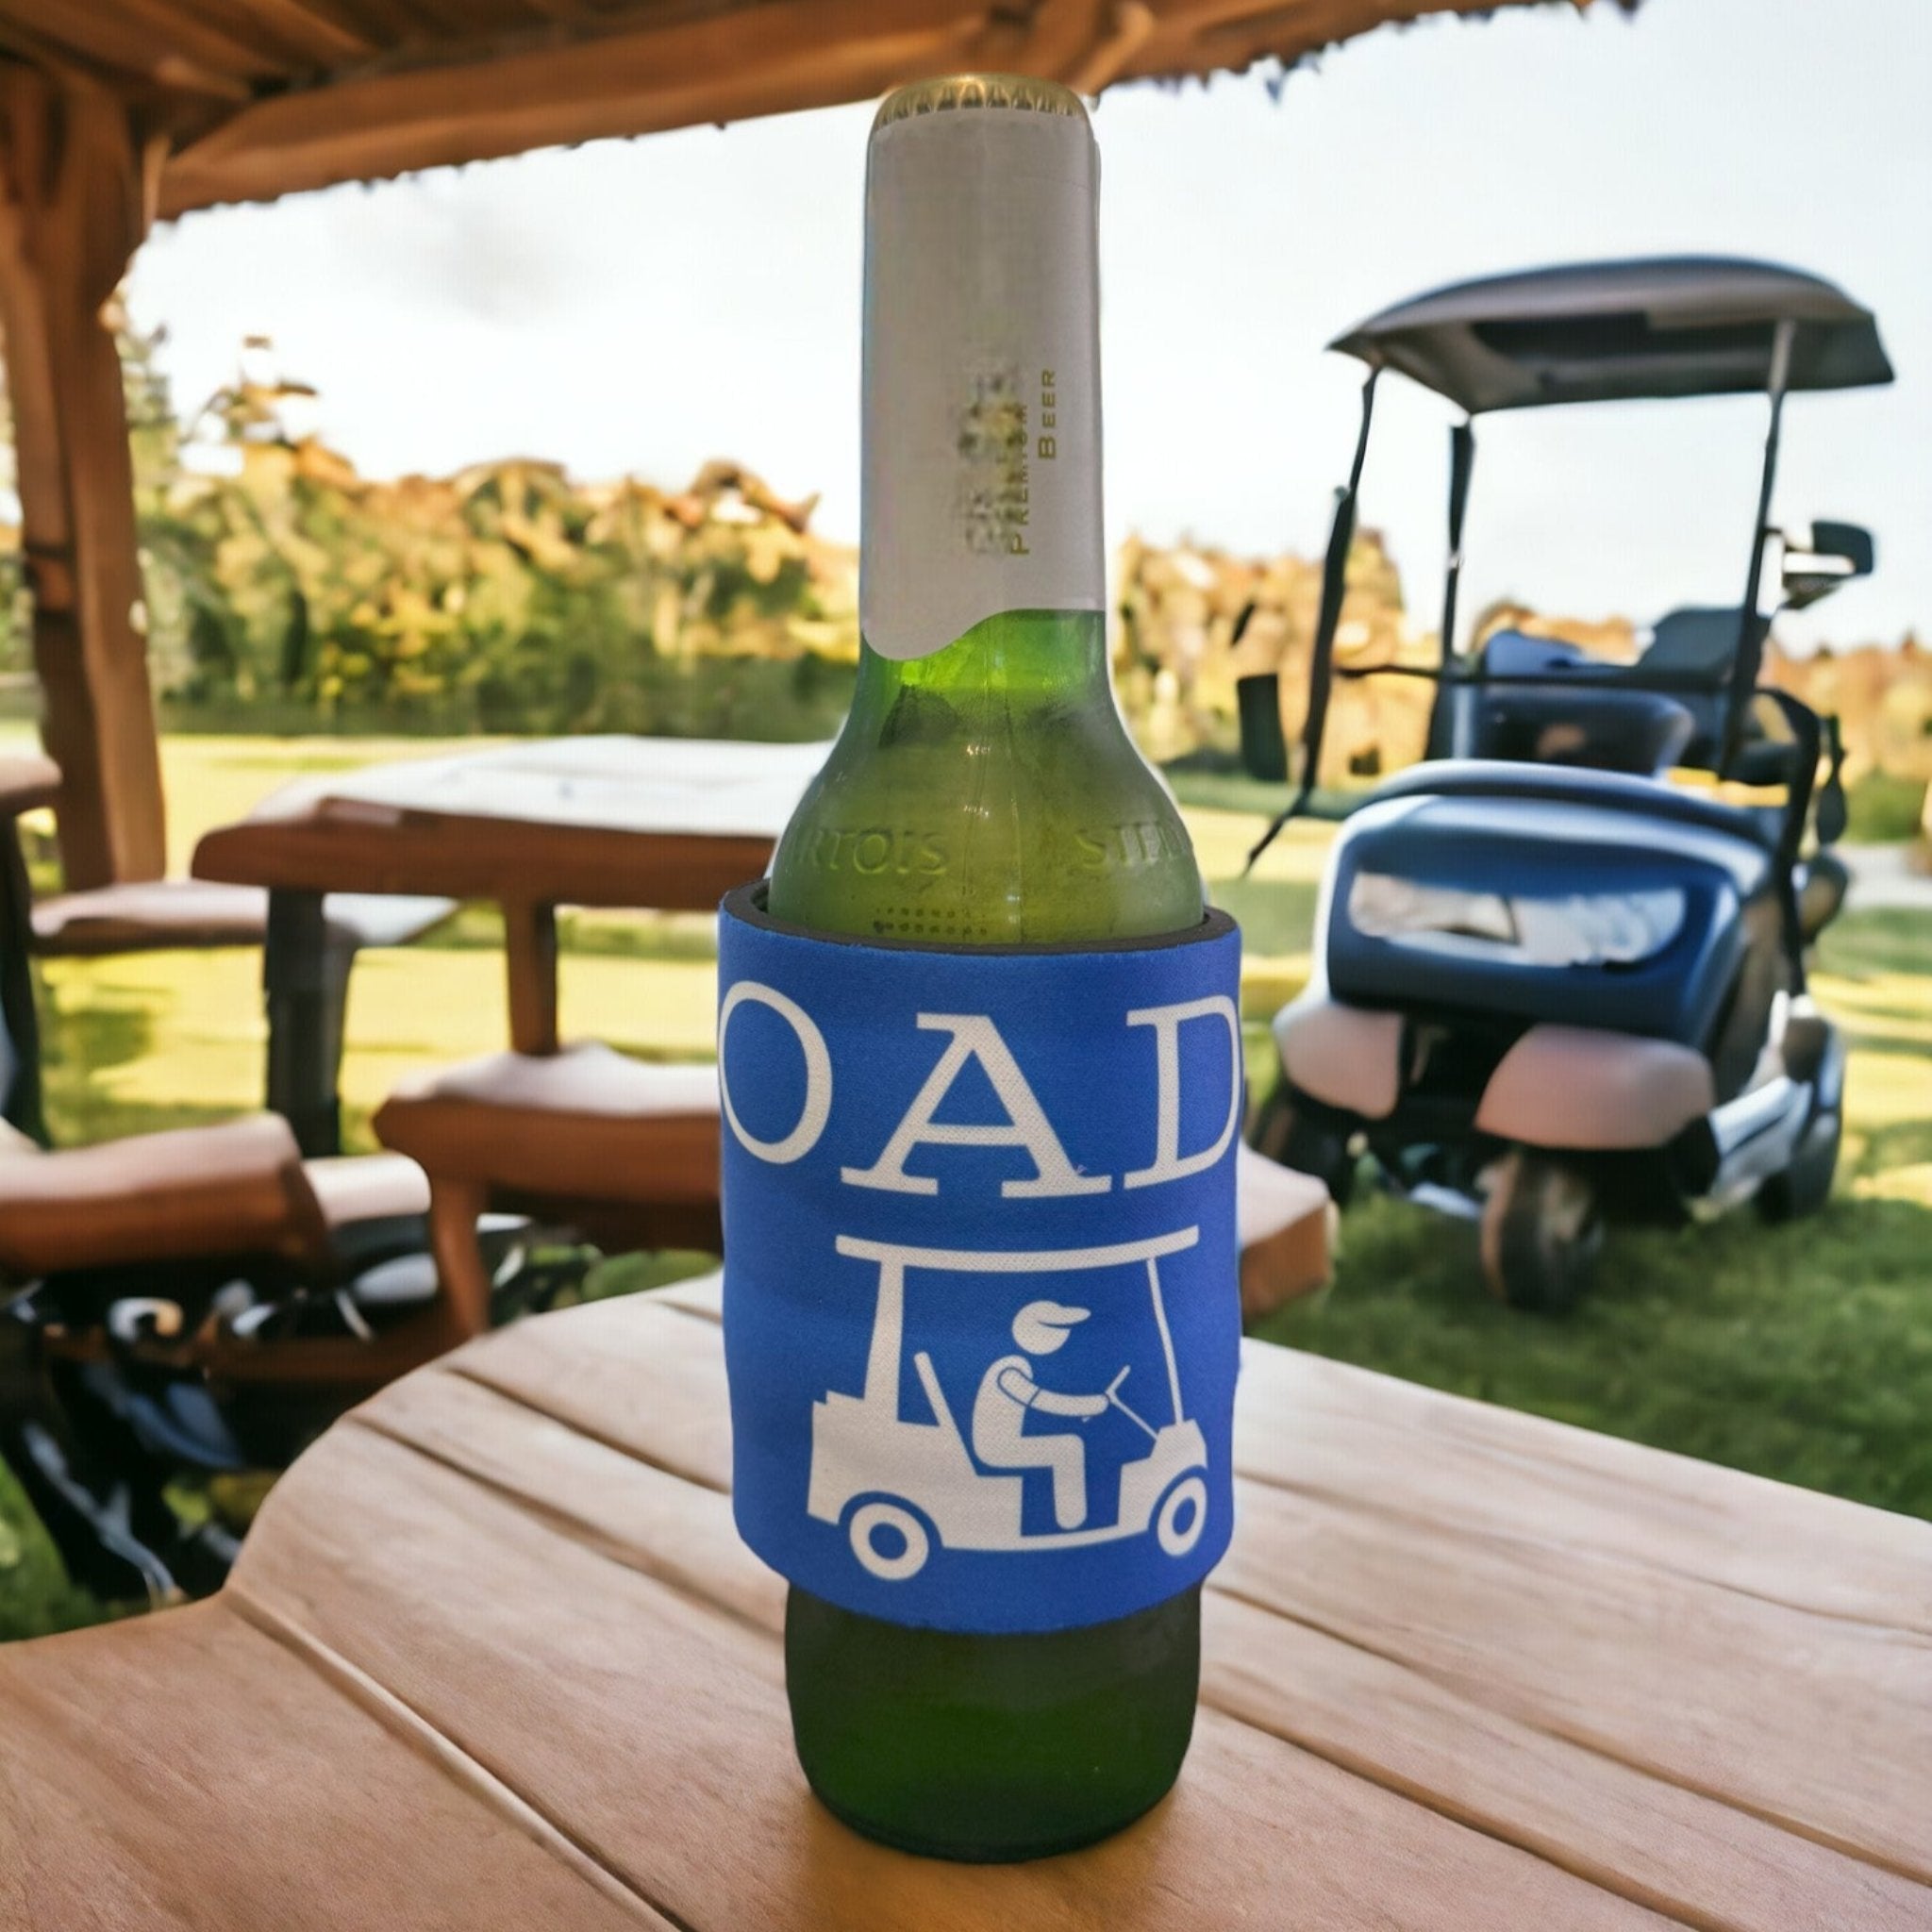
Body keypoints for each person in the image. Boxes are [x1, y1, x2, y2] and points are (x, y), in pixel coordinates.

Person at [971, 1301, 1113, 1531]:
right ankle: (1072, 1521)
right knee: (1068, 1447)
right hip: (997, 1447)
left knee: (1068, 1445)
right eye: (1058, 1330)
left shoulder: (1019, 1365)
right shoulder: (1009, 1372)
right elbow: (1041, 1400)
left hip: (1008, 1441)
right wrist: (1092, 1404)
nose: (1064, 1336)